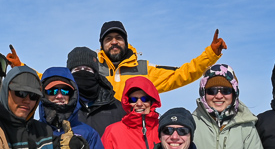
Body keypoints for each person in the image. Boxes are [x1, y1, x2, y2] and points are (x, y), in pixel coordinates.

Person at [95, 21, 227, 100]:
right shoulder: (92, 68)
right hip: (99, 137)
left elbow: (181, 75)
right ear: (102, 44)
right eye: (108, 39)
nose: (114, 42)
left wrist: (210, 54)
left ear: (125, 42)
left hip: (135, 136)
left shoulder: (143, 70)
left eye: (118, 38)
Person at [66, 46, 125, 135]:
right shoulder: (63, 107)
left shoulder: (116, 107)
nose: (82, 73)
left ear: (96, 74)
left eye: (87, 69)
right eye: (77, 70)